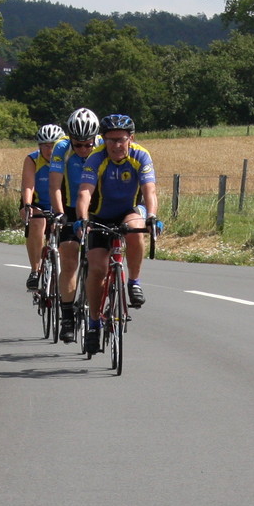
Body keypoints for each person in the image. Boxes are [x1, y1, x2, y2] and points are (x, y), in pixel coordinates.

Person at [73, 113, 159, 353]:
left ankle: (134, 282)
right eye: (111, 140)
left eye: (121, 140)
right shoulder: (96, 157)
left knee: (134, 229)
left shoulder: (141, 155)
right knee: (98, 268)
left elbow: (149, 190)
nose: (116, 145)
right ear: (103, 139)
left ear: (130, 138)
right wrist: (82, 220)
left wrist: (151, 216)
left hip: (129, 211)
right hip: (100, 215)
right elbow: (84, 193)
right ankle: (93, 324)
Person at [48, 108, 104, 343]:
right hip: (70, 208)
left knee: (98, 260)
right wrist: (60, 213)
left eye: (87, 145)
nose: (83, 150)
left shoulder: (103, 145)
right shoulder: (61, 148)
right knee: (69, 258)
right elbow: (55, 186)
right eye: (78, 144)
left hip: (98, 207)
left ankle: (98, 313)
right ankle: (68, 317)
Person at [21, 123, 66, 291]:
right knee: (36, 222)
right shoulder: (33, 159)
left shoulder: (67, 160)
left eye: (53, 145)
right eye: (45, 145)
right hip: (37, 201)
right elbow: (28, 186)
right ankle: (35, 270)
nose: (50, 149)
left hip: (60, 204)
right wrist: (27, 205)